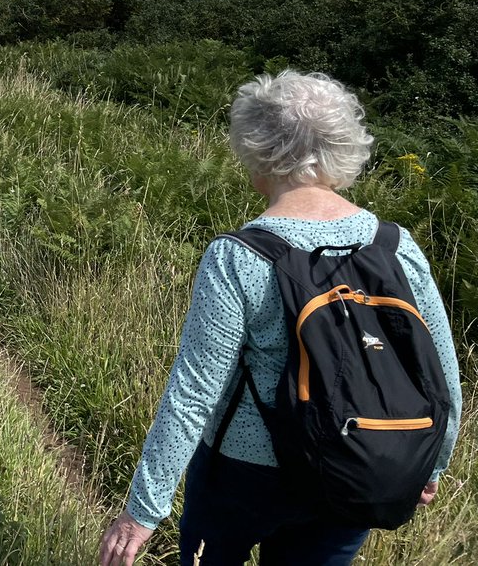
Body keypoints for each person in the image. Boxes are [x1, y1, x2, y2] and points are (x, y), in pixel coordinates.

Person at [99, 70, 462, 566]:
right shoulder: (397, 246)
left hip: (246, 473)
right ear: (344, 145)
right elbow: (441, 374)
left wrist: (141, 512)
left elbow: (193, 394)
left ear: (255, 146)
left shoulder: (239, 255)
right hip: (357, 465)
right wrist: (429, 465)